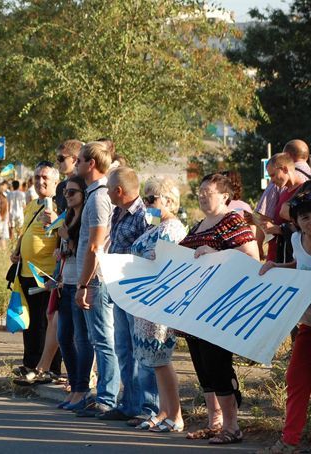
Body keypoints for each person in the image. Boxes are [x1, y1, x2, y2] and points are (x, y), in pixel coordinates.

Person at [180, 173, 258, 445]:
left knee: (218, 366)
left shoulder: (232, 221)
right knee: (203, 368)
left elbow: (252, 258)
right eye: (200, 191)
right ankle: (214, 424)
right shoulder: (200, 224)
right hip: (193, 310)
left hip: (218, 309)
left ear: (225, 196)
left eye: (208, 192)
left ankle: (232, 426)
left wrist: (216, 255)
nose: (201, 195)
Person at [258, 192, 311, 453]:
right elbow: (301, 265)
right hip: (309, 323)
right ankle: (289, 441)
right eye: (305, 217)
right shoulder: (297, 240)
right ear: (297, 222)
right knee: (296, 378)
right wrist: (277, 266)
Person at [128, 177, 188, 432]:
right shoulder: (155, 226)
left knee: (162, 359)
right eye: (146, 198)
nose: (148, 203)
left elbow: (169, 264)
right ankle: (164, 411)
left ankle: (176, 415)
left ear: (169, 201)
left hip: (160, 301)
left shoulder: (172, 229)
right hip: (145, 301)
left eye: (153, 199)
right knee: (153, 360)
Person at [99, 167, 158, 422]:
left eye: (109, 189)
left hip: (138, 292)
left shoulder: (147, 215)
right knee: (123, 348)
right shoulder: (116, 212)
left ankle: (150, 408)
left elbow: (155, 249)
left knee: (142, 351)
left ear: (119, 191)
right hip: (118, 288)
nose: (107, 193)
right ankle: (130, 404)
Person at [73, 141, 117, 418]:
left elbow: (95, 245)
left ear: (91, 164)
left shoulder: (100, 197)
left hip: (97, 279)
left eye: (79, 160)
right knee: (96, 337)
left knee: (103, 340)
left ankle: (107, 397)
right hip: (91, 278)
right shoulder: (94, 194)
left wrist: (84, 284)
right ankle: (103, 394)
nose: (75, 164)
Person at [11, 162, 62, 379]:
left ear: (55, 182)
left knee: (46, 323)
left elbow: (63, 236)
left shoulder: (60, 206)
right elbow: (26, 231)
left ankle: (50, 368)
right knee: (28, 321)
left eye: (45, 178)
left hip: (46, 273)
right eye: (37, 177)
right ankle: (30, 363)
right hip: (25, 271)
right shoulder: (32, 204)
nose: (40, 182)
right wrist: (18, 250)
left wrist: (57, 222)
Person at [55, 175, 95, 411]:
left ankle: (82, 389)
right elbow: (66, 252)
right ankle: (74, 385)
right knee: (64, 337)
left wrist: (67, 238)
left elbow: (83, 249)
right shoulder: (68, 217)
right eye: (65, 193)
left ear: (83, 194)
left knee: (81, 339)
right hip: (65, 281)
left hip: (80, 282)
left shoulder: (84, 219)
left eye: (72, 192)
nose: (67, 197)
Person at [261, 153, 306, 264]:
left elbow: (307, 224)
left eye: (273, 175)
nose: (272, 181)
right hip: (279, 254)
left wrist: (279, 229)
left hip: (293, 258)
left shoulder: (303, 190)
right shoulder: (285, 191)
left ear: (285, 169)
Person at [55, 139, 84, 213]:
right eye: (57, 158)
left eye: (61, 158)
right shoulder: (60, 187)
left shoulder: (84, 186)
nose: (57, 162)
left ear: (74, 159)